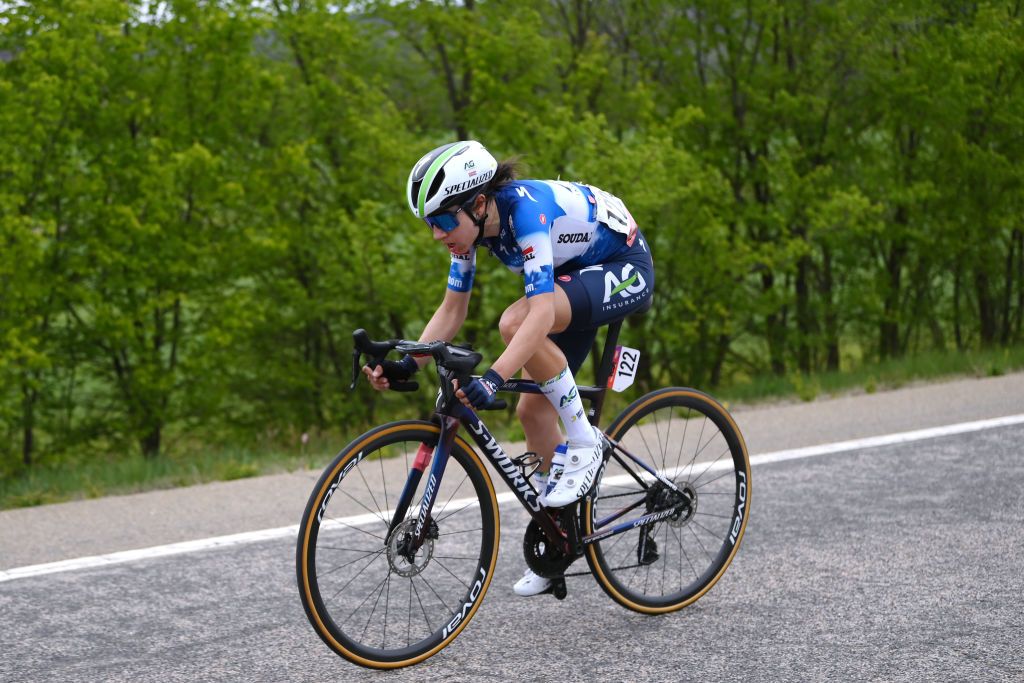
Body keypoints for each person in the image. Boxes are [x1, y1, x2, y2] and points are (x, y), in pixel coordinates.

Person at [363, 140, 655, 596]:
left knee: (515, 321)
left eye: (442, 221)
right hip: (573, 276)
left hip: (622, 266)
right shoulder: (473, 226)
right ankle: (557, 538)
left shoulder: (526, 215)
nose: (438, 234)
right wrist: (408, 363)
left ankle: (584, 442)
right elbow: (452, 310)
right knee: (532, 414)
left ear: (479, 204)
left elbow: (538, 315)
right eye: (430, 224)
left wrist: (495, 377)